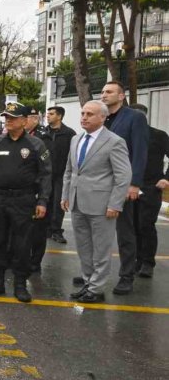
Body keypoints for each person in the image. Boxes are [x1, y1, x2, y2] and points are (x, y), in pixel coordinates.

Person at [0, 102, 51, 303]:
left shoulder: (36, 145)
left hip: (23, 200)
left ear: (25, 121)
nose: (8, 121)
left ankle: (20, 284)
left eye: (13, 117)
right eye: (6, 117)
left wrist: (42, 201)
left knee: (22, 244)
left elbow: (45, 176)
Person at [60, 101, 132, 302]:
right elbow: (69, 171)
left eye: (90, 114)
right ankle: (88, 282)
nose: (84, 117)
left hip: (102, 205)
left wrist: (115, 204)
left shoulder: (114, 141)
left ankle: (97, 289)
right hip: (76, 202)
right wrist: (65, 195)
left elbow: (123, 176)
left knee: (101, 249)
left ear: (103, 117)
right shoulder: (76, 139)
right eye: (83, 113)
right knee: (84, 247)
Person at [100, 81, 149, 295]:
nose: (104, 95)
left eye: (109, 92)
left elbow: (139, 152)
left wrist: (134, 184)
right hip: (100, 184)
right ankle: (92, 273)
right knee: (97, 232)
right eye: (102, 91)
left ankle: (126, 276)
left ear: (121, 96)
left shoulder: (134, 118)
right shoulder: (101, 118)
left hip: (122, 184)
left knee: (125, 233)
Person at [129, 104, 168, 279]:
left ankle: (147, 262)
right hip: (129, 187)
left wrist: (166, 178)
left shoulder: (159, 135)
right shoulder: (125, 135)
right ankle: (136, 260)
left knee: (146, 225)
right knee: (132, 225)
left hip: (151, 186)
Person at [42, 106, 76, 244]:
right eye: (47, 114)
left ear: (60, 116)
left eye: (51, 114)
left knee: (58, 203)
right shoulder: (43, 134)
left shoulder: (69, 134)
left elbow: (73, 155)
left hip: (62, 175)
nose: (47, 116)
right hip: (46, 175)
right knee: (45, 201)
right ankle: (45, 230)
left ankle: (56, 230)